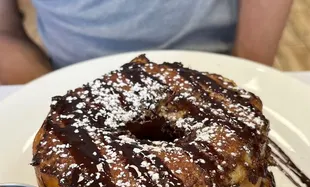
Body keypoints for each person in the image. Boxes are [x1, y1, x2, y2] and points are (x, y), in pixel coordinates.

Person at [0, 0, 293, 85]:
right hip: (70, 76)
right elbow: (4, 34)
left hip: (220, 68)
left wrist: (245, 75)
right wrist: (52, 94)